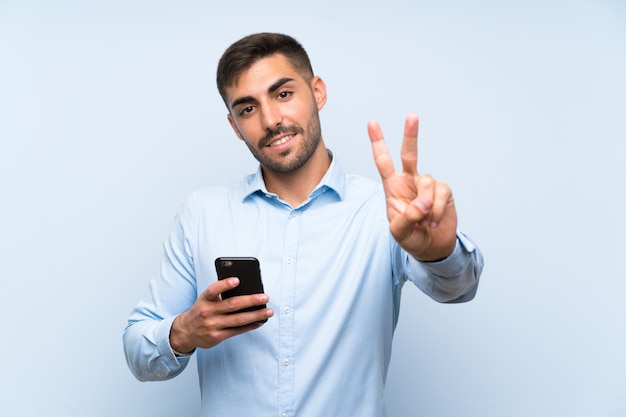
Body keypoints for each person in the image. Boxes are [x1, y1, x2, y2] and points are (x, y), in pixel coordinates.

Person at [123, 32, 484, 416]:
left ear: (318, 92)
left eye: (283, 94)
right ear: (234, 125)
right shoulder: (202, 214)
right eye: (247, 109)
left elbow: (457, 287)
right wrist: (184, 332)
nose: (270, 120)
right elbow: (137, 347)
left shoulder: (387, 211)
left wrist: (438, 253)